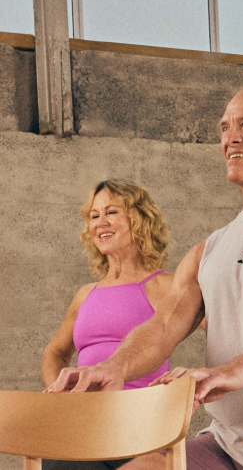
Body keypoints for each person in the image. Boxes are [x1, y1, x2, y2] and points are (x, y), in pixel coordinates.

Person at [47, 88, 243, 470]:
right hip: (228, 446)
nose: (229, 137)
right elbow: (163, 325)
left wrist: (240, 368)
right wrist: (112, 368)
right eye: (224, 127)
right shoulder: (208, 251)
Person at [41, 179, 174, 470]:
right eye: (94, 215)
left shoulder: (164, 286)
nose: (101, 222)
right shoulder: (86, 294)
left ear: (138, 219)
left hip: (136, 429)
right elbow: (54, 352)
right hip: (80, 428)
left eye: (111, 212)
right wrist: (62, 397)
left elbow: (224, 329)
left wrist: (197, 380)